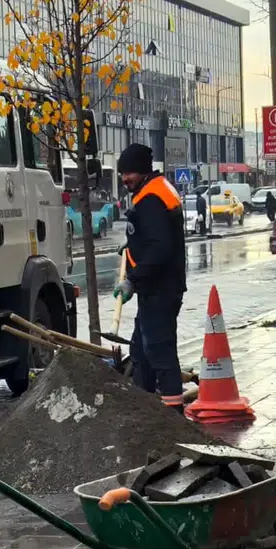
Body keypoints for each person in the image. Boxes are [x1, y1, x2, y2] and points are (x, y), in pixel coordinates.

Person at [113, 144, 188, 410]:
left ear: (144, 171)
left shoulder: (150, 199)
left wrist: (132, 279)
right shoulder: (158, 189)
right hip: (158, 288)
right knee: (141, 352)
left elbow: (160, 248)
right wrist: (133, 243)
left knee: (158, 350)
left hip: (159, 289)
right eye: (122, 173)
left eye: (129, 173)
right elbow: (155, 237)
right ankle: (144, 410)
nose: (125, 179)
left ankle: (172, 413)